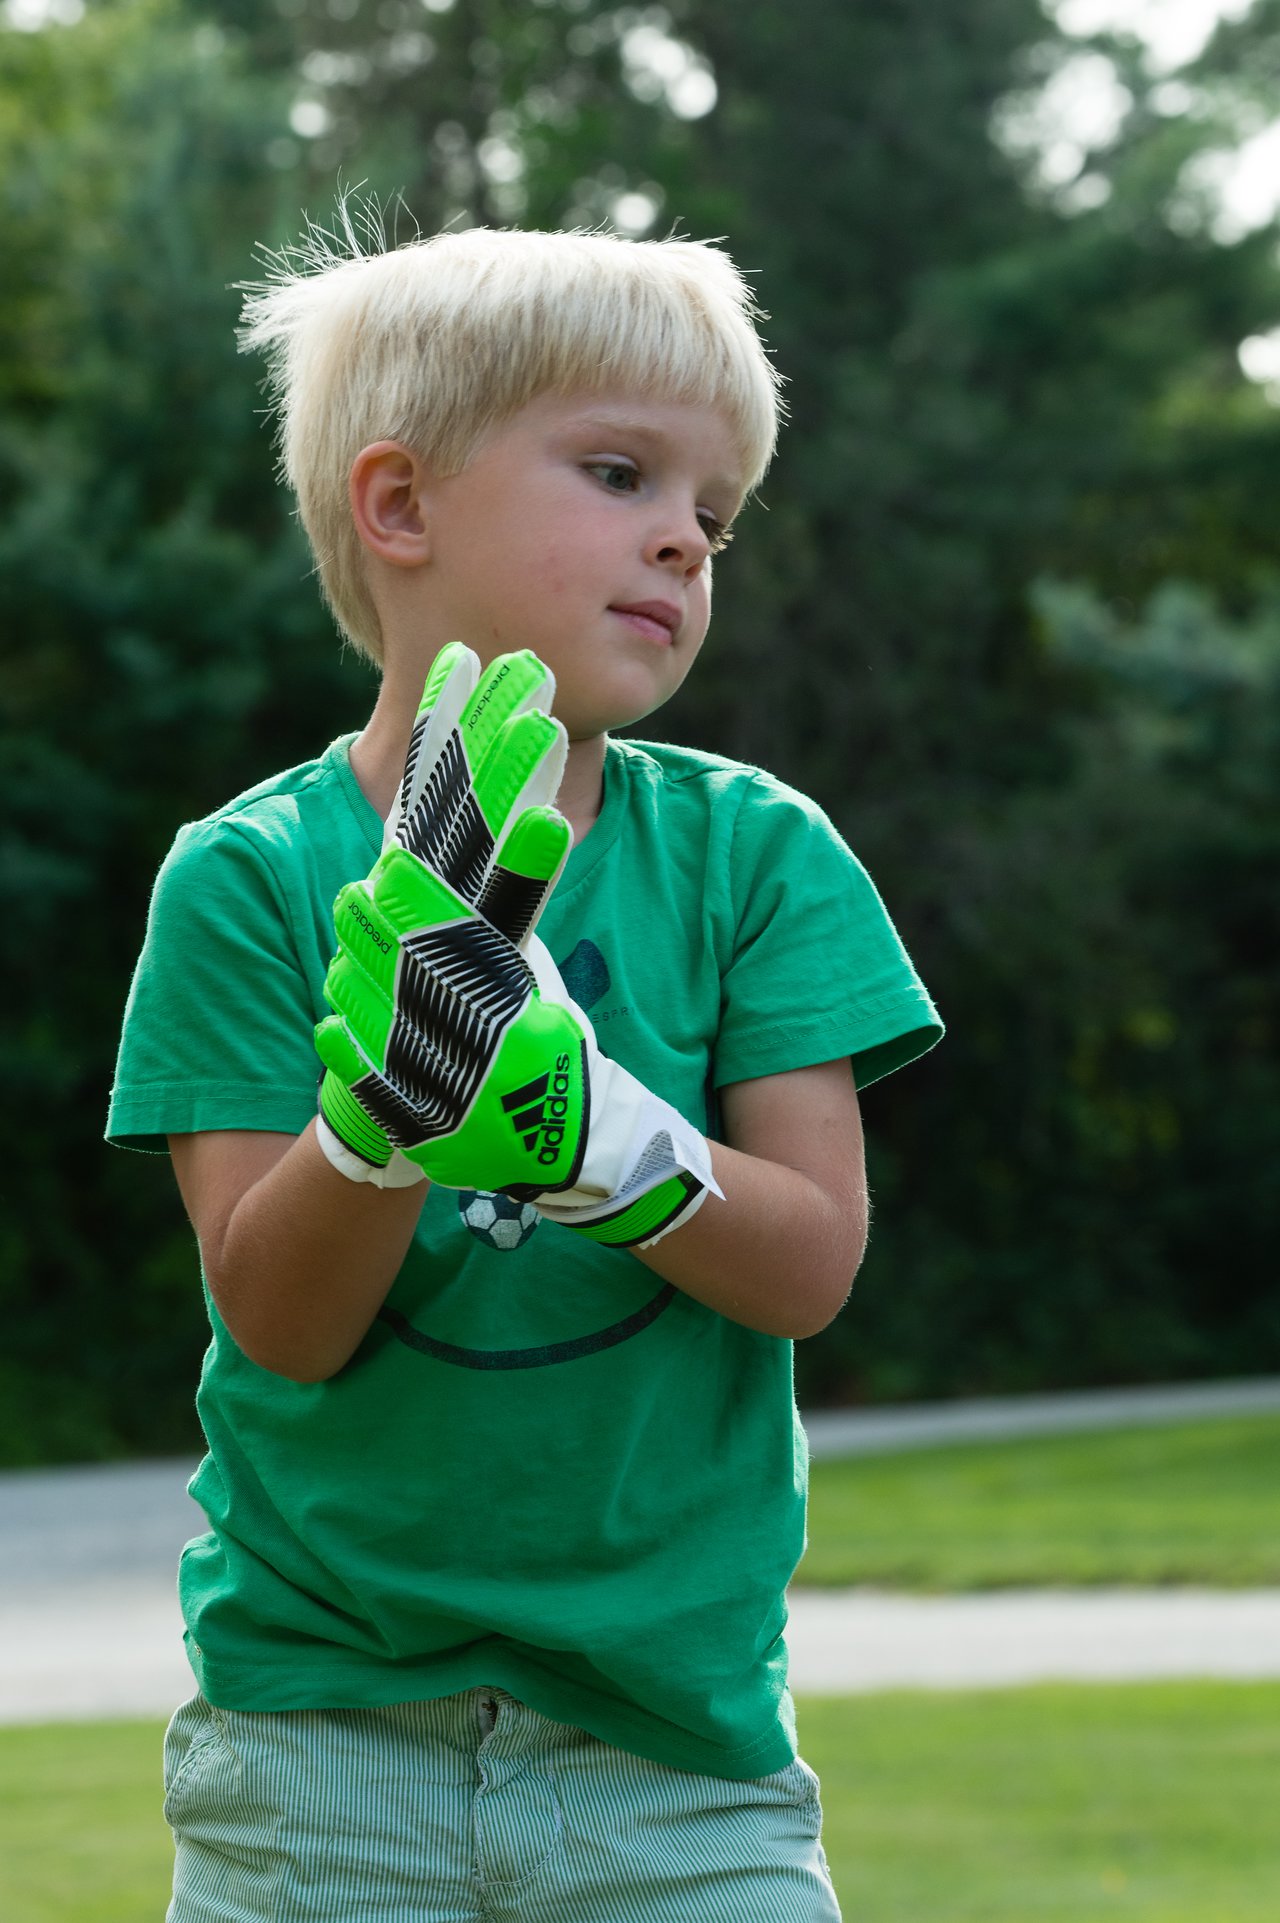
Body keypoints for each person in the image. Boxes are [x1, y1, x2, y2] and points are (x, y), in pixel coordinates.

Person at [108, 218, 943, 1923]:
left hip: (678, 1769)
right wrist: (380, 1130)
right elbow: (279, 1319)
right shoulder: (246, 877)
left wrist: (596, 1134)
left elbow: (810, 1266)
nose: (683, 543)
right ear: (399, 506)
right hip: (319, 1748)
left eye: (712, 513)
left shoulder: (755, 856)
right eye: (622, 471)